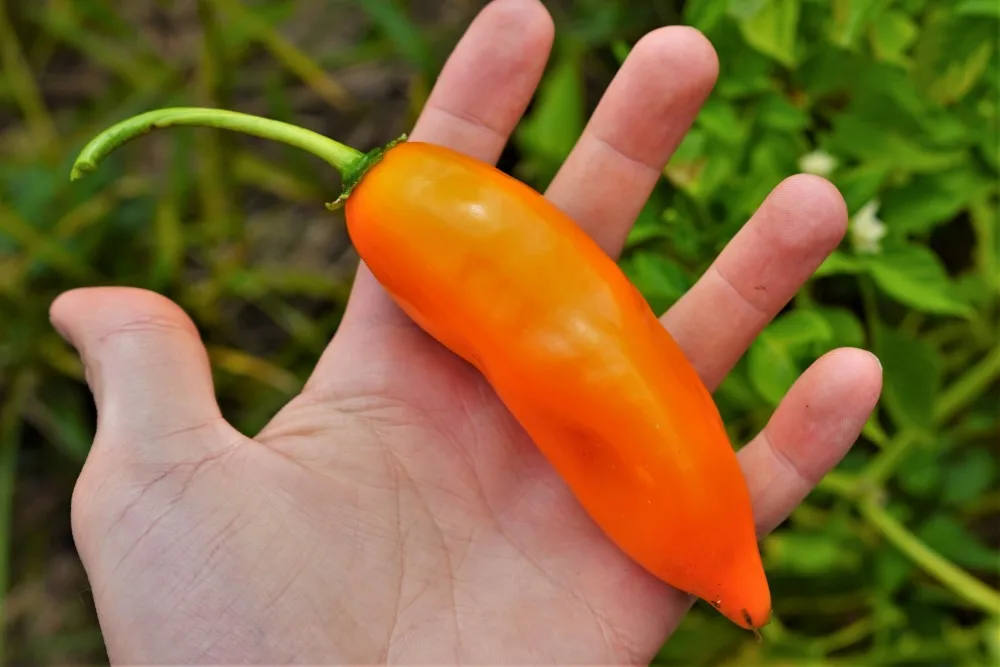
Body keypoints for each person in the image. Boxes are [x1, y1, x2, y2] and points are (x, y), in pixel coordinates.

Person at [48, 0, 882, 663]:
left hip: (699, 539)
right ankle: (730, 574)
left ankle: (730, 572)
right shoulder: (395, 211)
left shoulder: (398, 206)